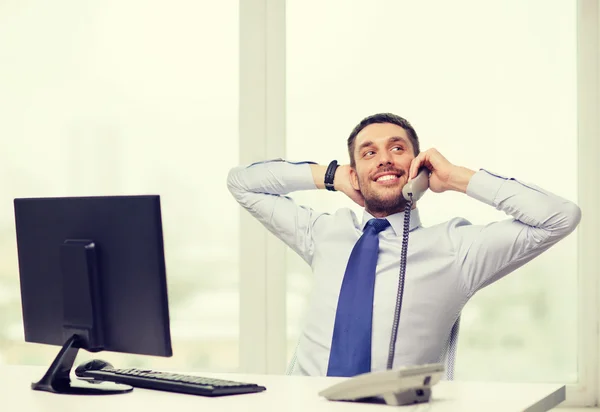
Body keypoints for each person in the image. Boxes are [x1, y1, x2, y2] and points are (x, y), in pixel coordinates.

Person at [227, 112, 581, 378]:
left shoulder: (457, 248)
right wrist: (332, 175)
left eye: (397, 149)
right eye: (368, 153)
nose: (384, 159)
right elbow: (243, 183)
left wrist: (456, 177)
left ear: (418, 167)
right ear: (356, 172)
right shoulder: (323, 233)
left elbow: (559, 216)